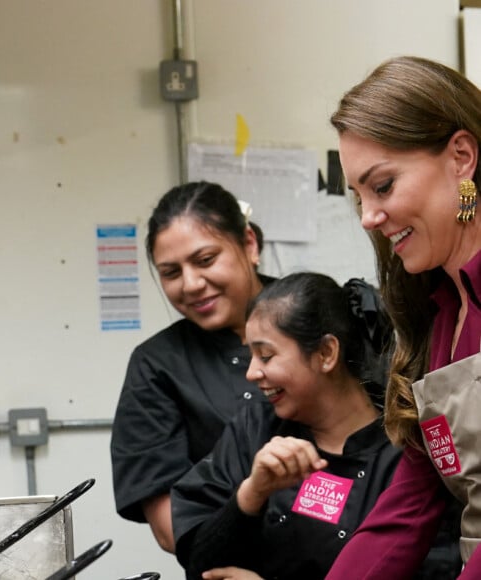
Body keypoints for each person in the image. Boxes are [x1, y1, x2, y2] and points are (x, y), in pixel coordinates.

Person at [325, 55, 481, 579]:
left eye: (383, 186)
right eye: (360, 196)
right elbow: (408, 507)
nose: (369, 216)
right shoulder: (439, 318)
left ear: (461, 157)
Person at [171, 272, 409, 580]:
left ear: (326, 353)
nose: (252, 373)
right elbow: (201, 565)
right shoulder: (253, 429)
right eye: (251, 356)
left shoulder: (403, 450)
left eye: (266, 356)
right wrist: (251, 494)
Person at [110, 181, 274, 553]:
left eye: (205, 260)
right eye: (170, 273)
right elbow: (172, 529)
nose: (192, 284)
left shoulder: (318, 316)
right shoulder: (156, 365)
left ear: (249, 244)